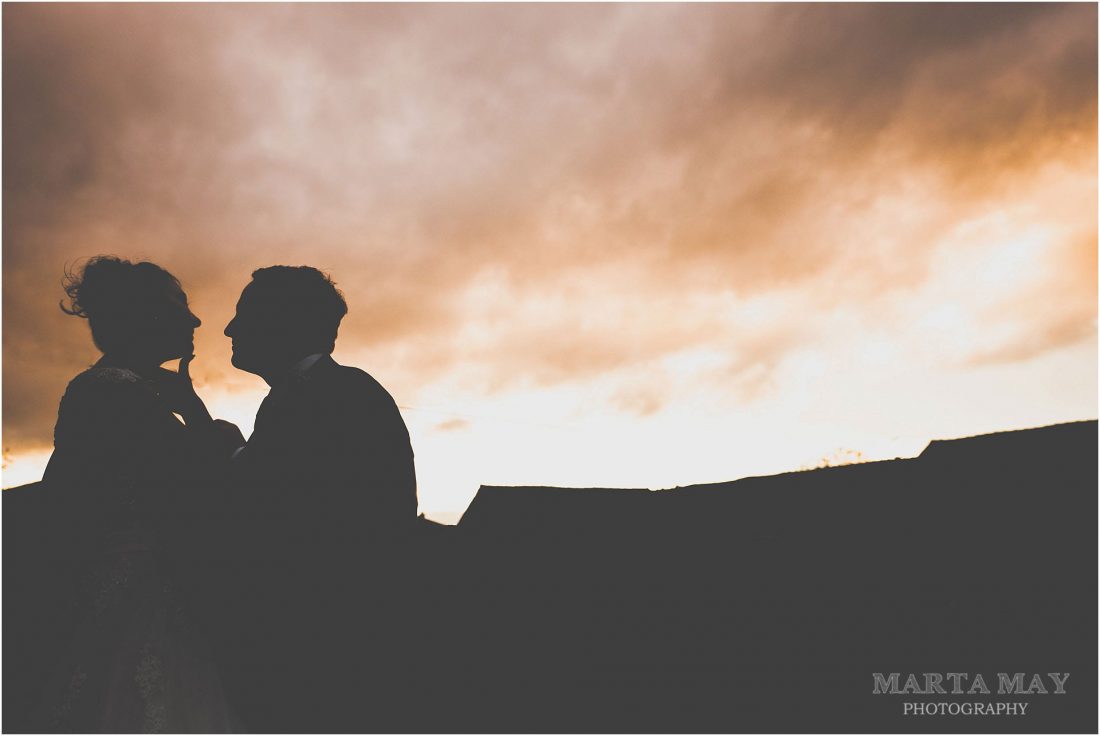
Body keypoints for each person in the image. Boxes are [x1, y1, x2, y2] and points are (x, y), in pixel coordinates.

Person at [13, 256, 242, 732]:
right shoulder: (113, 392)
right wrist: (208, 425)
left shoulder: (127, 391)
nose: (197, 320)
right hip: (136, 593)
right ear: (148, 319)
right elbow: (191, 490)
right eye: (182, 308)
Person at [215, 265, 419, 732]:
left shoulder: (346, 395)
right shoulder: (302, 397)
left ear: (283, 321)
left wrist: (227, 453)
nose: (229, 329)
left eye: (244, 314)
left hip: (329, 649)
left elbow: (288, 515)